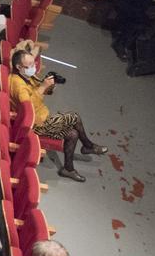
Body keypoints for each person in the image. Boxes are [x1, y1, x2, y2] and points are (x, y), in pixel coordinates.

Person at [8, 48, 106, 182]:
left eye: (33, 64)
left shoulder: (25, 76)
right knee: (74, 117)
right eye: (29, 65)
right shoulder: (18, 85)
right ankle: (88, 146)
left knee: (73, 134)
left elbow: (39, 90)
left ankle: (68, 169)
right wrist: (42, 87)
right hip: (35, 124)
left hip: (41, 117)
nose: (33, 67)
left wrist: (49, 86)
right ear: (19, 67)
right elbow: (28, 108)